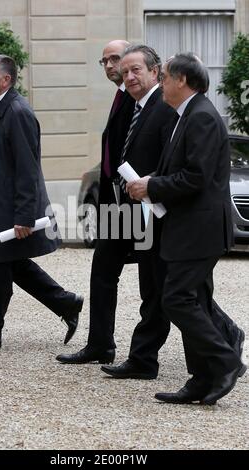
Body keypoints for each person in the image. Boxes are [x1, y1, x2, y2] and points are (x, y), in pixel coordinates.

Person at [127, 53, 245, 404]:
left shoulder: (202, 117)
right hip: (187, 226)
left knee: (176, 299)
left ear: (182, 80)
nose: (160, 83)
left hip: (200, 229)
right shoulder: (186, 114)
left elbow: (197, 176)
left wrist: (152, 186)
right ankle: (200, 378)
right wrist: (152, 183)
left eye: (163, 77)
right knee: (196, 299)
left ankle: (225, 361)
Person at [56, 44, 175, 379]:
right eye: (109, 62)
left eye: (120, 61)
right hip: (115, 201)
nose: (114, 67)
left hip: (143, 203)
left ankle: (222, 336)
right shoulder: (125, 97)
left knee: (160, 281)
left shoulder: (148, 99)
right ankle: (100, 343)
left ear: (153, 70)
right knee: (104, 270)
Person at [0, 55, 83, 350]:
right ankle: (65, 302)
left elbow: (28, 169)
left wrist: (25, 215)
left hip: (10, 208)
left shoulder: (18, 112)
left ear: (6, 80)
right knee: (8, 264)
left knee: (1, 264)